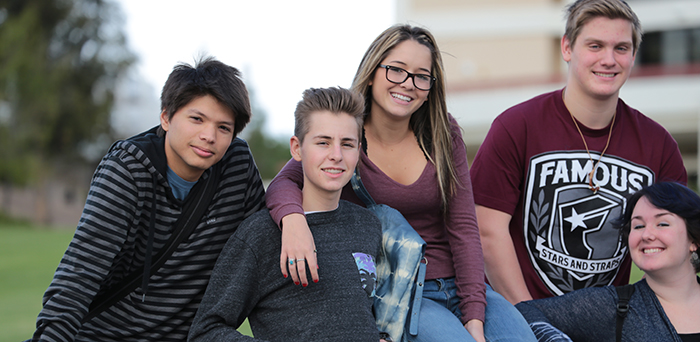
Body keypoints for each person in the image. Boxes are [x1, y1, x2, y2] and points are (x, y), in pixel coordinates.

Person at [266, 25, 535, 342]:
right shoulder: (348, 137)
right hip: (402, 291)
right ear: (372, 72)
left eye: (421, 76)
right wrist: (293, 221)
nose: (408, 84)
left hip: (462, 288)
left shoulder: (443, 133)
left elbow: (463, 227)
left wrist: (475, 315)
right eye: (396, 70)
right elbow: (283, 182)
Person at [27, 57, 266, 341]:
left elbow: (265, 246)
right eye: (196, 119)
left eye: (224, 128)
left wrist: (292, 218)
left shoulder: (236, 166)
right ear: (166, 117)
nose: (209, 136)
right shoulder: (127, 171)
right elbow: (78, 277)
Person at [470, 0, 688, 305]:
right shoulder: (517, 126)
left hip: (607, 316)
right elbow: (486, 231)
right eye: (595, 46)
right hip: (517, 313)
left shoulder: (658, 144)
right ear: (567, 48)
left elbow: (679, 239)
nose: (609, 59)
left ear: (633, 56)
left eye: (621, 48)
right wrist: (534, 320)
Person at [188, 87, 384, 341]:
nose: (336, 155)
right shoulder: (261, 234)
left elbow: (360, 316)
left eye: (347, 144)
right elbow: (205, 332)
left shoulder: (367, 225)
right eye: (323, 142)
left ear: (359, 150)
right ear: (297, 148)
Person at [515, 182, 700, 342]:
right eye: (638, 226)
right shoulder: (614, 306)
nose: (646, 235)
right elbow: (524, 312)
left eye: (663, 224)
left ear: (694, 240)